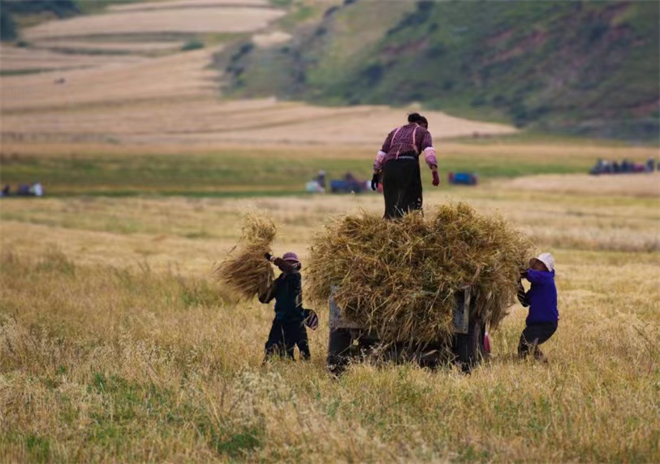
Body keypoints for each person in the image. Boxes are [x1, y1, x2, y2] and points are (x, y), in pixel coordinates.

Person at [371, 113, 439, 219]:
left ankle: (390, 225)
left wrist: (375, 175)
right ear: (423, 124)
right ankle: (408, 225)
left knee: (391, 202)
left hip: (390, 167)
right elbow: (428, 151)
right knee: (411, 200)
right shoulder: (423, 131)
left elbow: (382, 153)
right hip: (408, 166)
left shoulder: (394, 132)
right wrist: (434, 172)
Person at [259, 252, 311, 361]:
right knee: (270, 349)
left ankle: (306, 370)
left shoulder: (296, 276)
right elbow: (264, 299)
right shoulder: (278, 282)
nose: (291, 265)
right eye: (289, 262)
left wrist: (270, 258)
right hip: (280, 320)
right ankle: (266, 370)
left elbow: (289, 269)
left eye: (293, 263)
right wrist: (259, 284)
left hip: (296, 320)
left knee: (304, 350)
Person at [517, 252, 558, 362]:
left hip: (546, 323)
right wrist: (518, 284)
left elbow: (528, 274)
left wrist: (518, 269)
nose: (534, 266)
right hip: (537, 323)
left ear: (544, 266)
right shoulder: (537, 286)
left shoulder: (546, 278)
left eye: (537, 264)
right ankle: (540, 362)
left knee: (527, 341)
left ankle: (523, 363)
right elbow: (525, 302)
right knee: (526, 342)